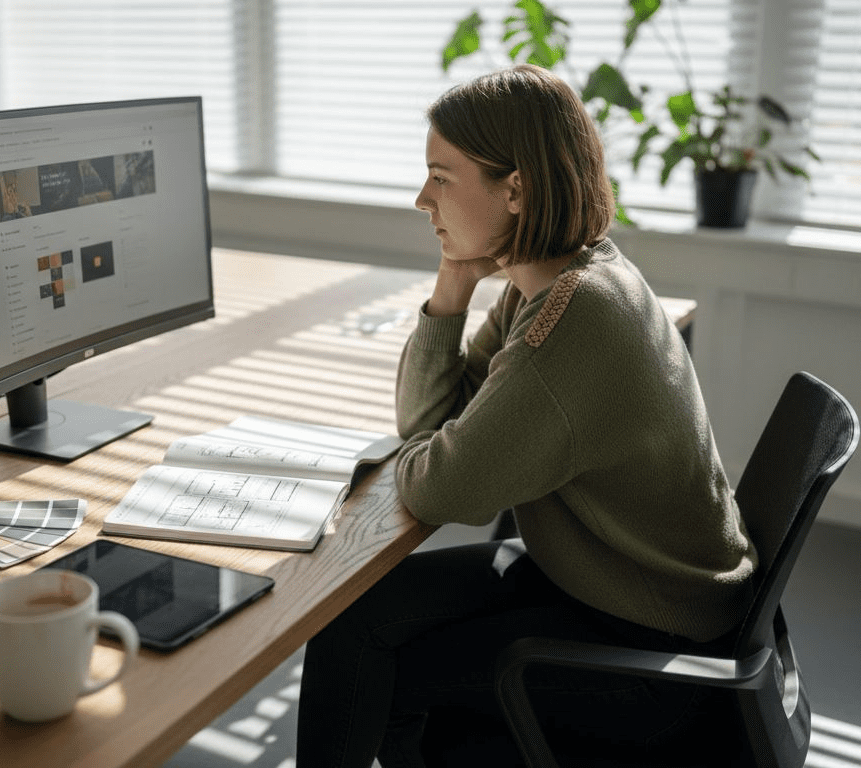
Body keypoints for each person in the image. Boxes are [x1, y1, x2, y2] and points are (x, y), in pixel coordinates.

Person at [296, 64, 758, 767]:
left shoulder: (572, 322)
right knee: (345, 618)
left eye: (441, 177)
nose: (422, 198)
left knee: (376, 670)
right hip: (602, 577)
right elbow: (428, 418)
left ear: (516, 189)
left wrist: (441, 444)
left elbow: (440, 488)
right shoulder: (559, 276)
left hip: (648, 639)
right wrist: (453, 282)